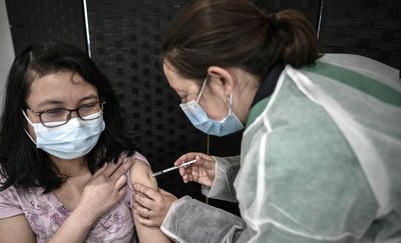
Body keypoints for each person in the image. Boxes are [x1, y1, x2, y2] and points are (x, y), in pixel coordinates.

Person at [131, 0, 401, 242]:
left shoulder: (287, 140)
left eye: (186, 96)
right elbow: (326, 177)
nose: (186, 108)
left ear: (221, 80)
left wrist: (180, 216)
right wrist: (229, 174)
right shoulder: (338, 66)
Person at [0, 41, 171, 243]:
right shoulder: (9, 183)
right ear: (22, 116)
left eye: (88, 105)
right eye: (53, 111)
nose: (75, 123)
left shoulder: (127, 167)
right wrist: (86, 211)